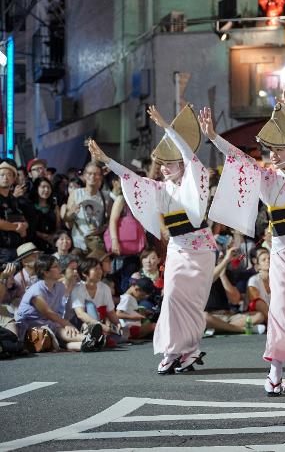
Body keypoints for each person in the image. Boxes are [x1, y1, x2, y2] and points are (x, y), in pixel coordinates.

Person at [202, 84, 285, 396]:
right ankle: (276, 368)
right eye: (270, 149)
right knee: (282, 308)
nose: (272, 155)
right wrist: (215, 138)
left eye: (279, 149)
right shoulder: (269, 180)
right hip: (283, 254)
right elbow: (242, 159)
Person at [88, 104, 215, 375]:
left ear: (181, 163)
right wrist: (107, 160)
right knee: (171, 298)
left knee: (192, 302)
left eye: (170, 164)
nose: (164, 168)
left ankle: (189, 350)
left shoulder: (196, 177)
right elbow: (131, 178)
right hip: (179, 249)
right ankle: (173, 350)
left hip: (202, 249)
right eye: (163, 164)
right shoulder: (160, 188)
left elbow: (190, 156)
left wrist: (166, 125)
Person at [14, 254, 101, 351]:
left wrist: (65, 324)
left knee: (60, 330)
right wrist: (66, 323)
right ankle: (90, 339)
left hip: (49, 324)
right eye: (55, 266)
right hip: (30, 327)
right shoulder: (36, 290)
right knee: (58, 329)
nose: (59, 268)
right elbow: (48, 313)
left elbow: (58, 312)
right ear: (45, 272)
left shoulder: (60, 287)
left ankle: (87, 343)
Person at [71, 257, 120, 346]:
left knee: (121, 335)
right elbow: (80, 314)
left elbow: (111, 312)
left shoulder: (105, 288)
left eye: (100, 269)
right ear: (84, 273)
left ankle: (99, 337)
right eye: (96, 269)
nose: (100, 271)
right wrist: (99, 325)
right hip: (81, 324)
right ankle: (95, 336)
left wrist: (117, 324)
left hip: (101, 323)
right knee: (90, 305)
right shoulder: (77, 289)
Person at [65, 161, 111, 253]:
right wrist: (71, 212)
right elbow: (66, 220)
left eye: (96, 174)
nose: (92, 176)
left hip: (96, 244)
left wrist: (99, 230)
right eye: (89, 173)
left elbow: (110, 222)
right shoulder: (75, 194)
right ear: (84, 175)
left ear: (101, 177)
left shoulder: (106, 196)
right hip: (78, 244)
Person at [22, 177, 61, 253]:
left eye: (48, 187)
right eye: (43, 187)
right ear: (36, 189)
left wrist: (54, 237)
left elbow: (58, 225)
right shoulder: (29, 206)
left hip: (52, 242)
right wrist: (45, 236)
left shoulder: (54, 206)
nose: (46, 190)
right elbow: (28, 226)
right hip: (34, 244)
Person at [0, 159, 28, 263]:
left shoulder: (13, 199)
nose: (5, 178)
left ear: (13, 179)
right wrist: (17, 227)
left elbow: (22, 218)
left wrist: (25, 225)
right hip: (2, 250)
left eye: (9, 175)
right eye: (2, 175)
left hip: (17, 247)